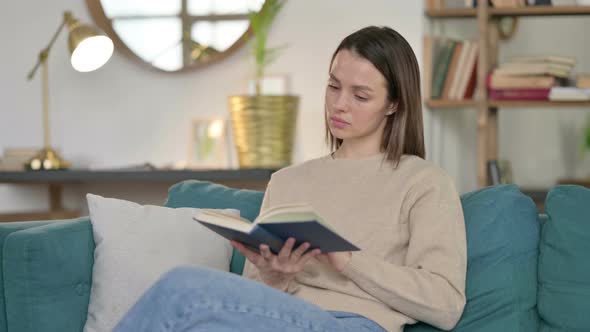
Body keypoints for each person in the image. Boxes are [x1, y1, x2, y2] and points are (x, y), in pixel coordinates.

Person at [114, 26, 467, 332]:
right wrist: (276, 277)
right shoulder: (288, 181)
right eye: (333, 86)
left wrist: (347, 260)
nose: (339, 104)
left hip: (353, 325)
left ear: (393, 104)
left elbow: (445, 303)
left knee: (183, 287)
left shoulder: (423, 182)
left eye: (360, 95)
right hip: (282, 320)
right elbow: (251, 299)